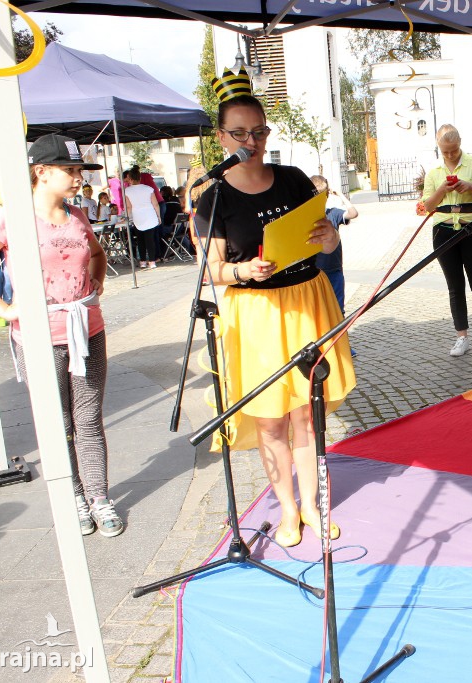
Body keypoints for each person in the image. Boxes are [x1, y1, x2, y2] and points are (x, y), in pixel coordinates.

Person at [194, 73, 354, 548]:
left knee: (306, 413)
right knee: (269, 417)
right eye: (240, 134)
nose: (252, 142)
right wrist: (244, 274)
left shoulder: (293, 179)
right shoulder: (213, 197)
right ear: (221, 138)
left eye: (259, 132)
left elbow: (324, 233)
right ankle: (286, 508)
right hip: (255, 312)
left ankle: (311, 505)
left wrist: (331, 237)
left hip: (305, 299)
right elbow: (211, 271)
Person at [0, 133, 124, 537]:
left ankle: (99, 495)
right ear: (41, 172)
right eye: (69, 169)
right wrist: (6, 310)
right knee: (58, 421)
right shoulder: (11, 217)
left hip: (87, 329)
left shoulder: (78, 215)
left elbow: (96, 254)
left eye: (79, 169)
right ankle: (74, 497)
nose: (78, 176)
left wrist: (95, 284)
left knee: (89, 419)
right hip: (40, 336)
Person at [421, 124, 472, 357]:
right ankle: (461, 337)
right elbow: (428, 206)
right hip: (443, 231)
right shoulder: (434, 172)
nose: (451, 155)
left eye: (454, 150)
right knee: (455, 288)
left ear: (460, 143)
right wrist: (442, 188)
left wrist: (469, 187)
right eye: (446, 152)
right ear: (439, 148)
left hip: (470, 230)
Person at [310, 175, 359, 313]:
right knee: (319, 311)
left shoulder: (333, 213)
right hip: (315, 273)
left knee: (338, 310)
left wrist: (340, 195)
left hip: (334, 270)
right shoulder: (307, 219)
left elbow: (353, 213)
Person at [123, 168, 161, 269]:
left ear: (130, 178)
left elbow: (129, 207)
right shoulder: (148, 189)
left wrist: (126, 216)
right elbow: (155, 204)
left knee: (140, 240)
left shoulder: (127, 191)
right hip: (150, 214)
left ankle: (142, 261)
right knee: (150, 240)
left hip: (137, 216)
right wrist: (159, 216)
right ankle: (152, 261)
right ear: (140, 178)